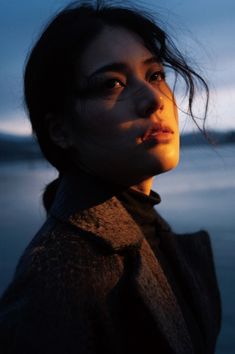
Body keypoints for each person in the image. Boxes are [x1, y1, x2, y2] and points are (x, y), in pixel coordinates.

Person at [0, 1, 221, 353]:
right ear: (59, 130)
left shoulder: (148, 231)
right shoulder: (57, 281)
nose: (153, 100)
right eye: (112, 84)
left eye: (156, 75)